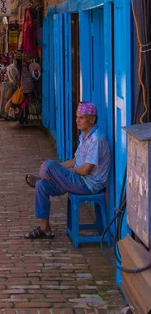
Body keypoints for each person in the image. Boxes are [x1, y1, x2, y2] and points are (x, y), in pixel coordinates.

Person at [24, 101, 111, 240]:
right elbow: (74, 161)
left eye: (81, 117)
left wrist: (62, 173)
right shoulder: (84, 136)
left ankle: (43, 177)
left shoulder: (96, 139)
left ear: (92, 119)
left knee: (48, 165)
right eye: (77, 117)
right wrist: (59, 171)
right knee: (42, 185)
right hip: (78, 180)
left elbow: (86, 170)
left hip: (88, 184)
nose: (77, 120)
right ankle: (44, 228)